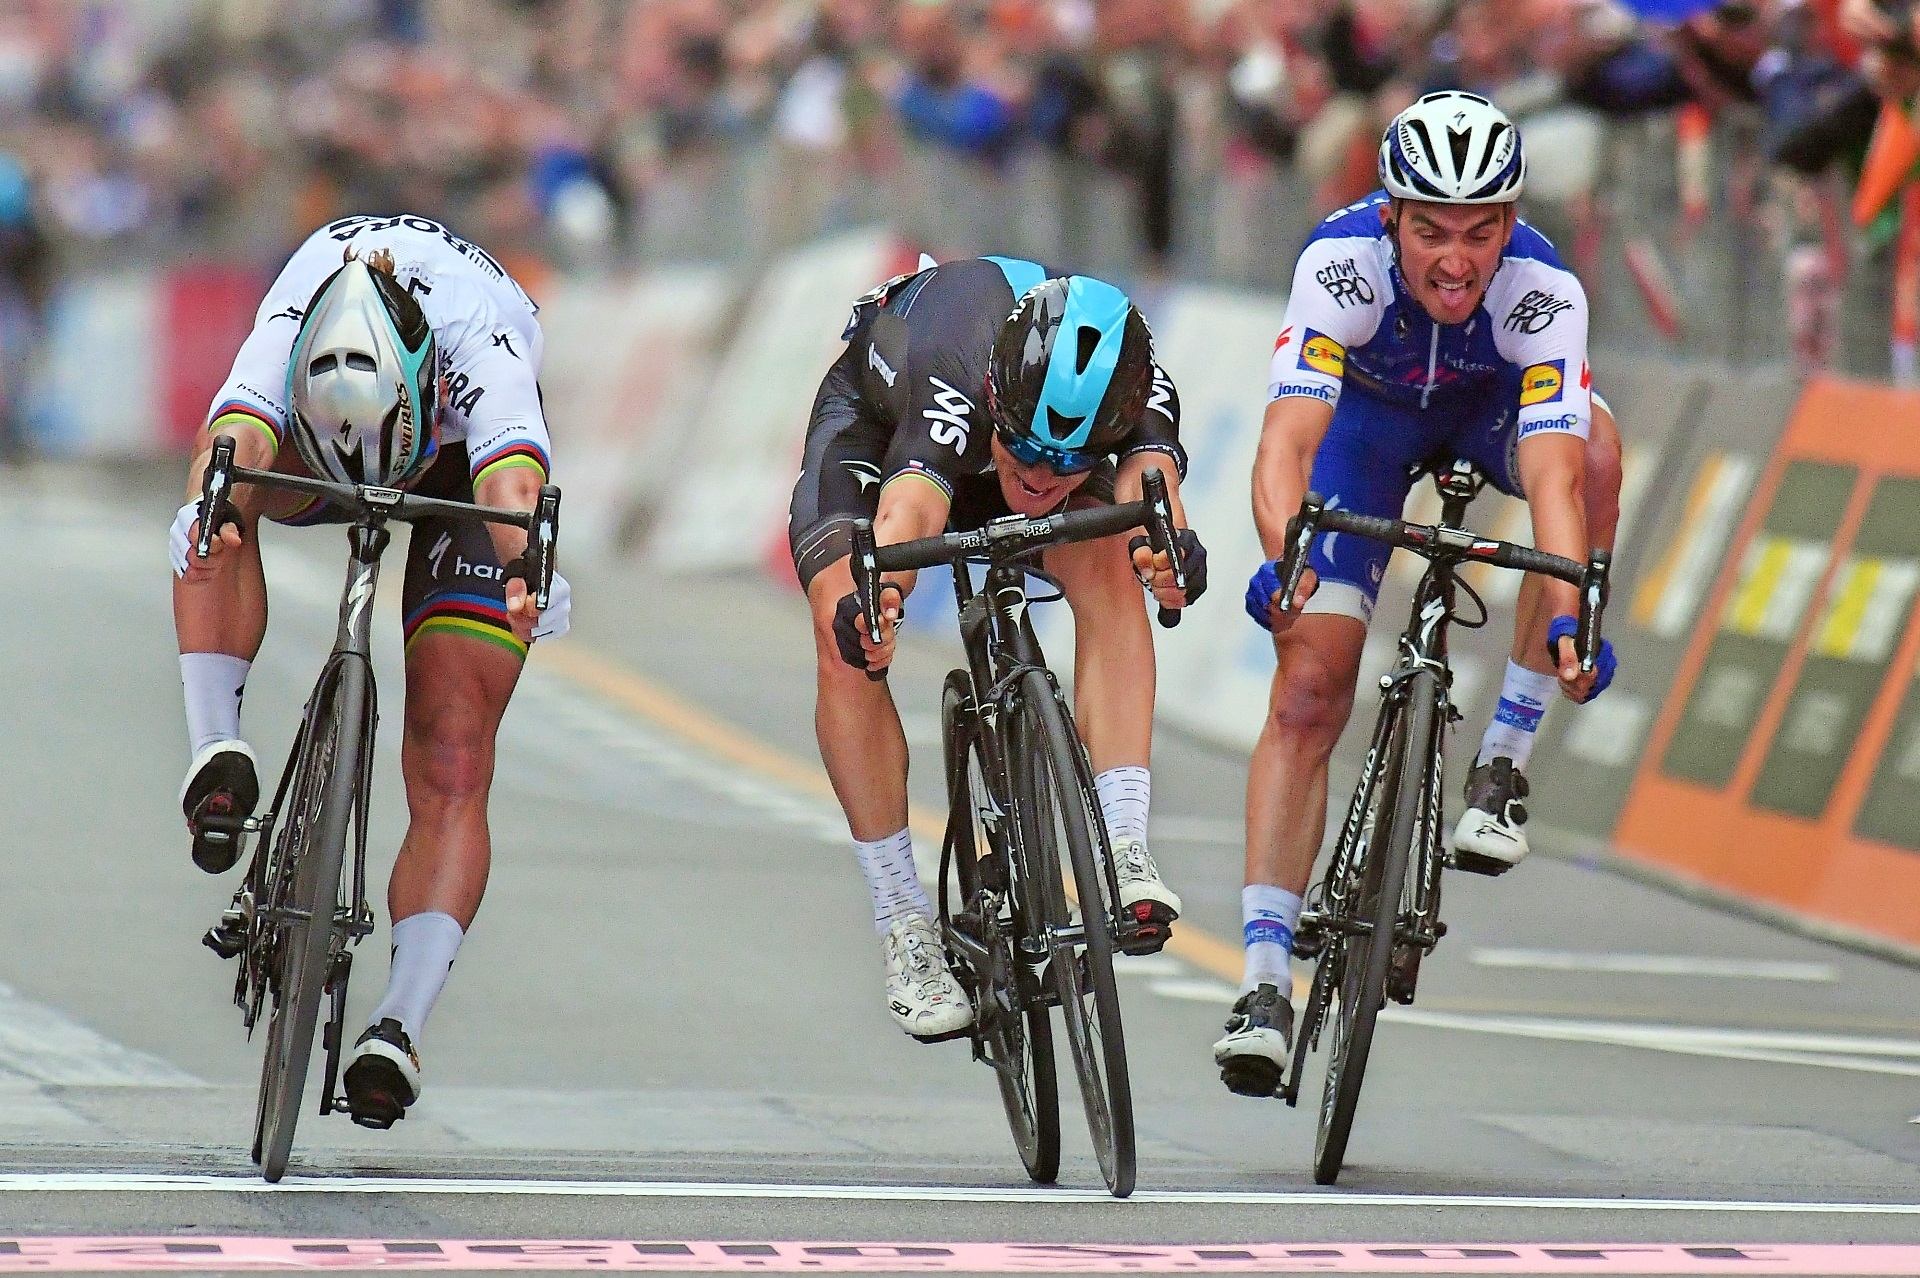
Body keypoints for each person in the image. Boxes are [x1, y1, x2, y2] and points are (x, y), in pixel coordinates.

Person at [1214, 92, 1622, 1093]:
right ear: (1390, 215)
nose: (1455, 259)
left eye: (1480, 233)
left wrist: (1572, 609)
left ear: (1509, 224)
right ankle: (1265, 978)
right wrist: (1287, 559)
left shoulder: (1541, 288)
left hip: (1491, 415)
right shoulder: (1340, 266)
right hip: (1368, 427)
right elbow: (1287, 448)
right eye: (1431, 230)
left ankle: (1503, 764)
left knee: (1602, 452)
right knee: (1311, 687)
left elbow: (1559, 477)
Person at [170, 214, 569, 1128]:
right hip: (317, 423)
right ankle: (214, 747)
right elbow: (231, 439)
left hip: (458, 459)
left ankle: (399, 1020)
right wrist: (212, 509)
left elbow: (512, 484)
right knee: (221, 501)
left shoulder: (484, 335)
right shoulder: (294, 308)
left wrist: (521, 570)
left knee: (454, 753)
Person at [791, 256, 1206, 1041]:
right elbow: (909, 511)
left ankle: (1122, 840)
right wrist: (880, 603)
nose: (1040, 478)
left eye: (1065, 464)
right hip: (890, 436)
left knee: (1118, 566)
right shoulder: (956, 366)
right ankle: (904, 922)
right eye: (1028, 452)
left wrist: (1170, 557)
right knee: (846, 623)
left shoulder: (1138, 385)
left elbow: (1155, 499)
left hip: (1007, 432)